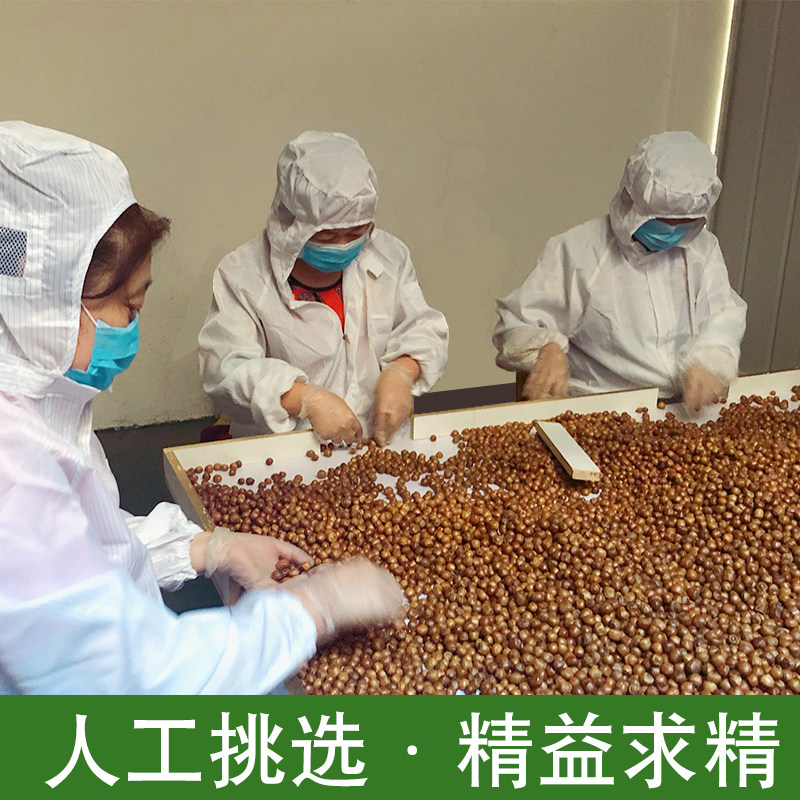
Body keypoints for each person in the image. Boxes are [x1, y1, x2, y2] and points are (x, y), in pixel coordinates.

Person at [0, 121, 405, 694]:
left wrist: (203, 548)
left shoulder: (39, 403)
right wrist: (312, 610)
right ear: (48, 304)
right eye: (129, 306)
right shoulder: (9, 462)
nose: (132, 328)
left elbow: (80, 544)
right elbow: (136, 681)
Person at [198, 131, 448, 446]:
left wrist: (402, 372)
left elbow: (422, 326)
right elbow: (225, 369)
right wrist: (304, 398)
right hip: (288, 447)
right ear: (291, 222)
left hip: (379, 441)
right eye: (327, 236)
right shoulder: (243, 274)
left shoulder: (389, 255)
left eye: (355, 232)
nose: (342, 245)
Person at [493, 131, 747, 414]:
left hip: (685, 409)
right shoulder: (578, 251)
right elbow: (515, 323)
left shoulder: (703, 249)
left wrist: (710, 360)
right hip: (600, 408)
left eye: (684, 223)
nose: (673, 231)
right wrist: (547, 349)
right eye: (662, 221)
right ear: (630, 201)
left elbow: (723, 315)